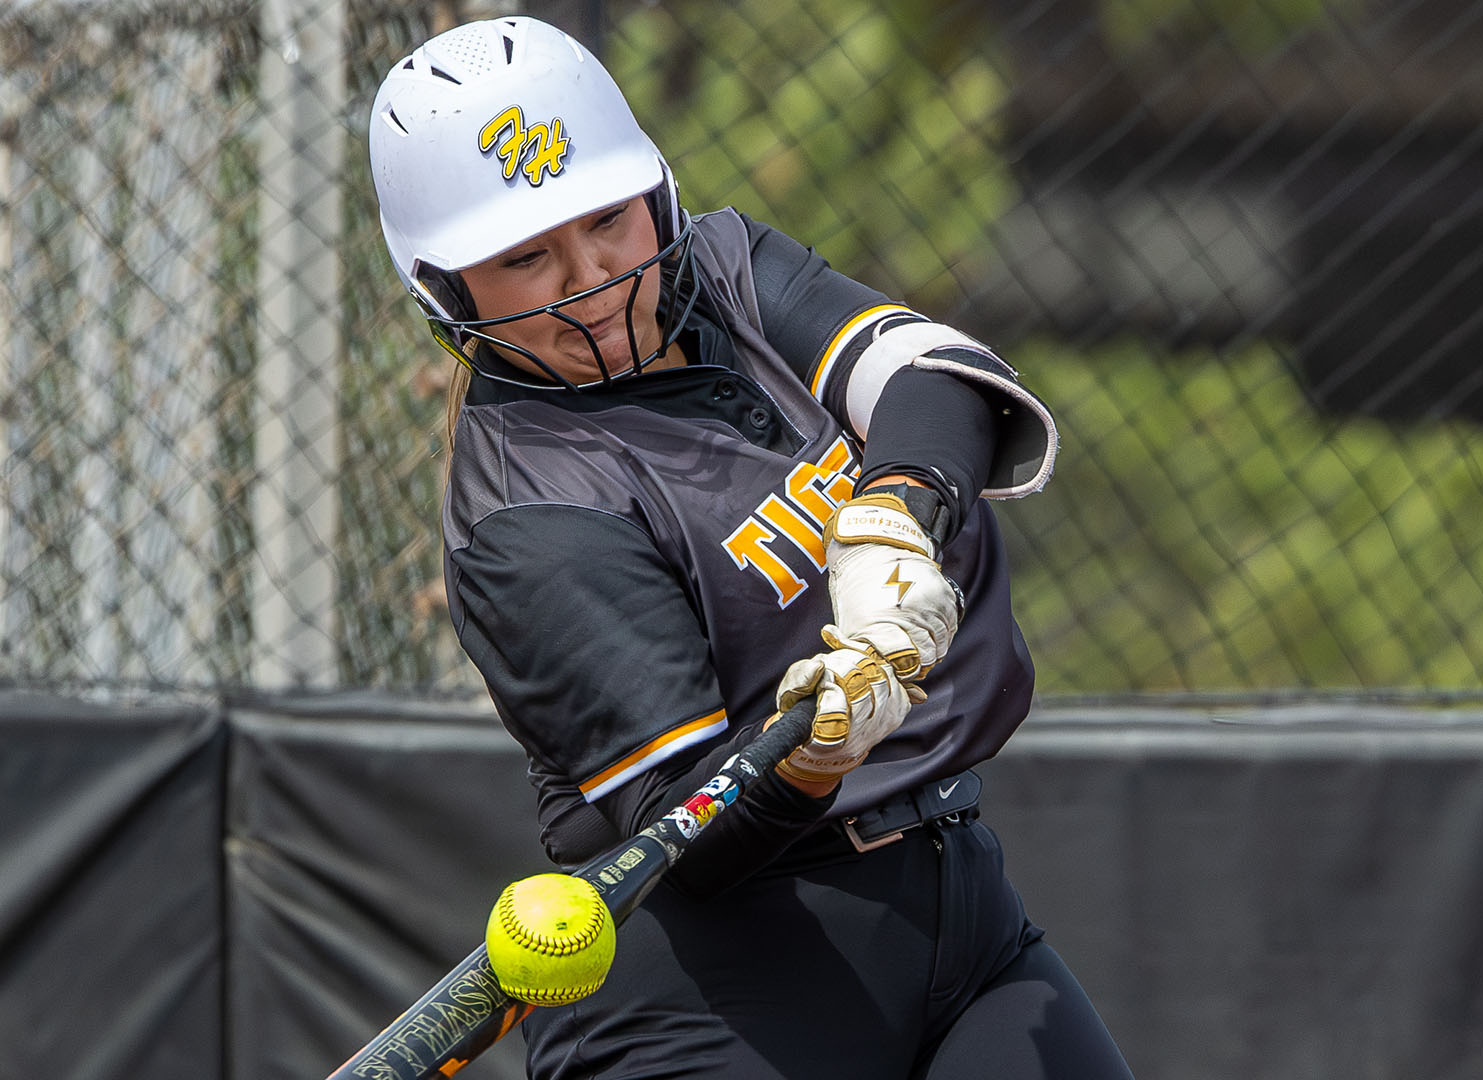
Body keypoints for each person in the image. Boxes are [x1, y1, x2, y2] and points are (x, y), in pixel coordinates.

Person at [368, 15, 1132, 1080]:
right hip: (723, 996)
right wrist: (822, 743)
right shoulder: (526, 517)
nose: (586, 277)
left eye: (606, 221)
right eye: (525, 257)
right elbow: (700, 834)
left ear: (655, 195)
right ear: (447, 294)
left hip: (959, 909)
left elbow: (938, 379)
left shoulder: (729, 271)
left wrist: (891, 518)